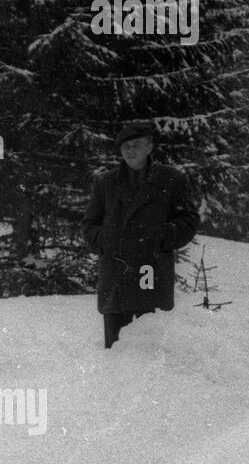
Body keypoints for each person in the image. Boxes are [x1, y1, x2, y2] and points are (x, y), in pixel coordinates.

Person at [81, 122, 199, 348]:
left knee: (150, 349)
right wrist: (103, 242)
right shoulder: (105, 182)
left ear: (150, 147)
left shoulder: (171, 179)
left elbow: (189, 219)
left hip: (151, 270)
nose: (130, 150)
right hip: (116, 274)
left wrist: (163, 238)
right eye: (125, 146)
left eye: (136, 145)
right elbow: (89, 223)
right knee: (115, 350)